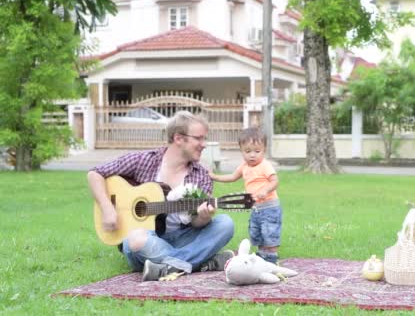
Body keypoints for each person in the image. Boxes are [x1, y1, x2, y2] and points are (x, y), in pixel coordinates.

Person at [87, 111, 235, 281]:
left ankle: (169, 266)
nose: (204, 144)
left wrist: (203, 217)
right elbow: (95, 174)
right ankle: (200, 262)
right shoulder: (144, 160)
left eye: (204, 139)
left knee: (225, 224)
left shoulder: (202, 175)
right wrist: (107, 208)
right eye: (199, 138)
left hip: (183, 238)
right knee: (134, 239)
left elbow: (196, 223)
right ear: (178, 138)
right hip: (147, 240)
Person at [209, 127, 281, 263]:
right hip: (255, 208)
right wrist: (215, 177)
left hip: (269, 207)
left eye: (257, 151)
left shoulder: (265, 166)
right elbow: (232, 177)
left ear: (264, 150)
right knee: (256, 231)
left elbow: (274, 181)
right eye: (248, 151)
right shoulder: (244, 167)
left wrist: (265, 190)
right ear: (241, 150)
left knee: (269, 232)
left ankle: (271, 257)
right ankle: (262, 254)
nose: (252, 155)